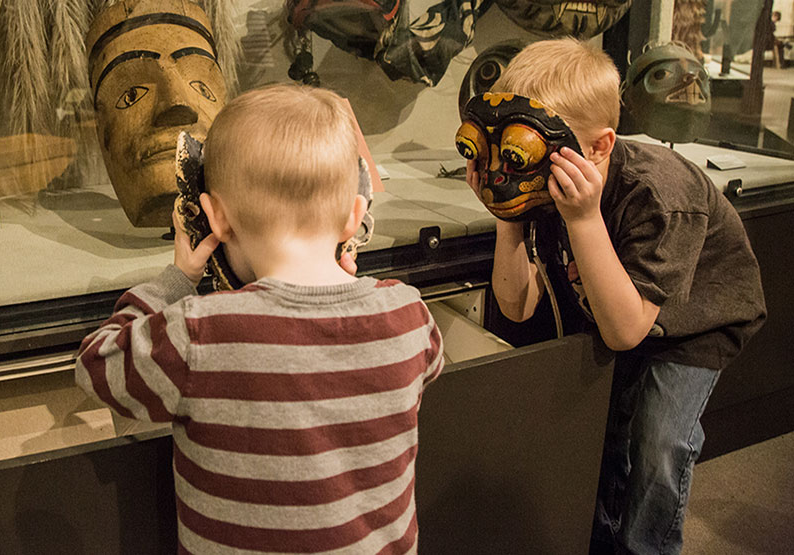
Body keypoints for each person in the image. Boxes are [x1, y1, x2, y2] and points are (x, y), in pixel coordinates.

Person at [76, 84, 444, 554]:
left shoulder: (200, 332)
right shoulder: (409, 316)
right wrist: (345, 280)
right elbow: (418, 369)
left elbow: (96, 366)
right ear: (355, 216)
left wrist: (177, 279)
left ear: (214, 219)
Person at [465, 39, 766, 555]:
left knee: (657, 444)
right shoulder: (544, 177)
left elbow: (628, 332)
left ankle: (647, 546)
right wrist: (508, 219)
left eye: (520, 153)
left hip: (693, 318)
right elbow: (516, 307)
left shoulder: (657, 195)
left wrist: (583, 219)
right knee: (596, 430)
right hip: (614, 307)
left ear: (599, 146)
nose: (504, 170)